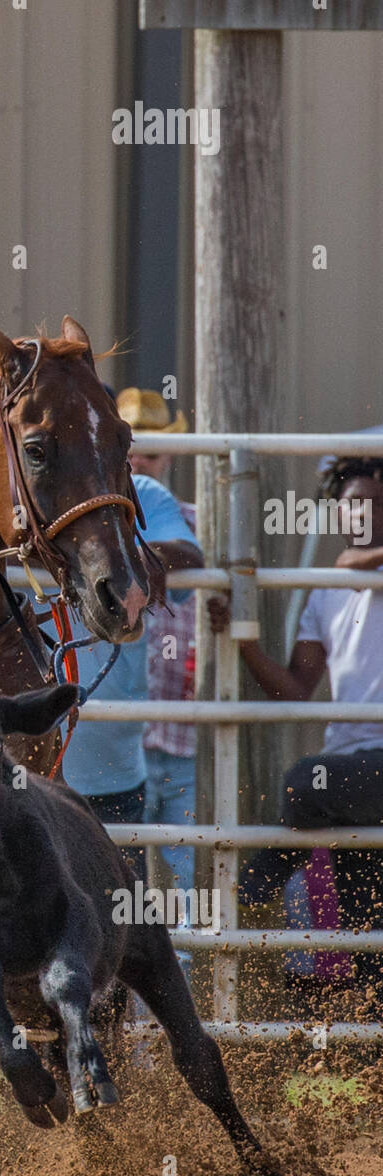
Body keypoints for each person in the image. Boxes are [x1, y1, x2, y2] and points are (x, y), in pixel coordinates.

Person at [208, 453, 383, 1002]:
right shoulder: (325, 587)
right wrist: (246, 645)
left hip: (369, 765)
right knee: (364, 926)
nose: (357, 516)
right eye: (349, 507)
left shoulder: (345, 572)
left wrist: (356, 563)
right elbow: (296, 688)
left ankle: (264, 872)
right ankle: (364, 1059)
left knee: (302, 783)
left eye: (371, 506)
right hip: (353, 775)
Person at [58, 468, 203, 890]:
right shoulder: (16, 495)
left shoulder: (140, 493)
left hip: (112, 765)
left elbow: (190, 557)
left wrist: (126, 554)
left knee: (122, 920)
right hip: (31, 760)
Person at [116, 389, 199, 918]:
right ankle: (141, 988)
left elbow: (209, 581)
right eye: (134, 451)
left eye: (152, 451)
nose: (141, 461)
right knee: (129, 866)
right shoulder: (109, 518)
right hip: (130, 723)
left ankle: (188, 972)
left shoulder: (189, 517)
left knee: (187, 872)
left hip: (184, 715)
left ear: (169, 456)